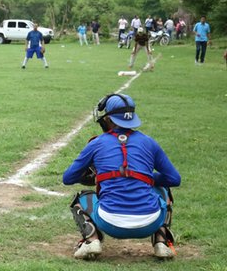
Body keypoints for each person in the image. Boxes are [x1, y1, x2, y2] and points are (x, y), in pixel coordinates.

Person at [63, 93, 180, 260]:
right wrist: (145, 178)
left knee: (81, 199)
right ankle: (161, 242)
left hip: (109, 223)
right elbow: (174, 179)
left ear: (109, 119)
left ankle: (92, 241)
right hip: (150, 222)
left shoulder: (97, 143)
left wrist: (100, 177)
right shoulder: (149, 142)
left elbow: (67, 178)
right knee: (163, 190)